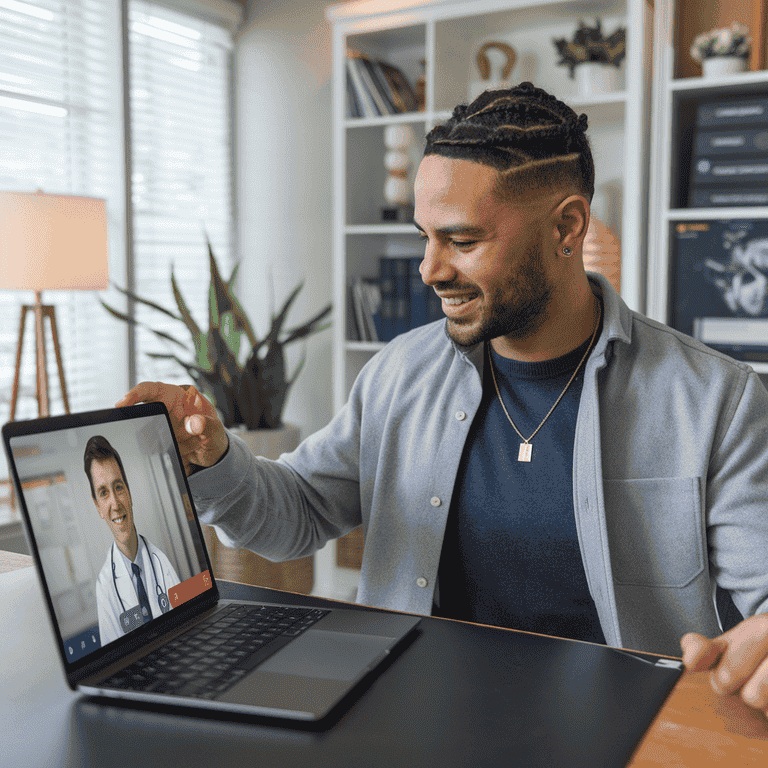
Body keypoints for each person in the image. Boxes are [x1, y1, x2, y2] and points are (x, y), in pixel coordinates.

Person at [118, 83, 768, 717]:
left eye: (461, 241)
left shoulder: (719, 400)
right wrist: (214, 458)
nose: (429, 269)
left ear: (567, 227)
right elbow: (299, 514)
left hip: (626, 730)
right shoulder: (399, 371)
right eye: (425, 236)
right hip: (408, 719)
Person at [84, 435, 181, 645]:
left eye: (118, 487)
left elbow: (187, 623)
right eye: (103, 493)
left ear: (129, 493)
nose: (115, 503)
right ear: (97, 506)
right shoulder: (105, 586)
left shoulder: (161, 560)